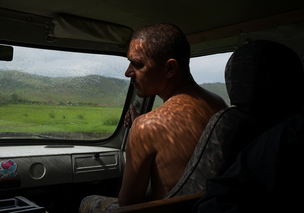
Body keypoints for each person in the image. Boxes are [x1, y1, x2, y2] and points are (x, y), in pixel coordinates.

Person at [79, 23, 227, 212]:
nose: (127, 72)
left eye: (138, 64)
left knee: (87, 201)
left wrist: (139, 131)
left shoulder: (145, 127)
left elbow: (128, 204)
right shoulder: (218, 103)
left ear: (170, 69)